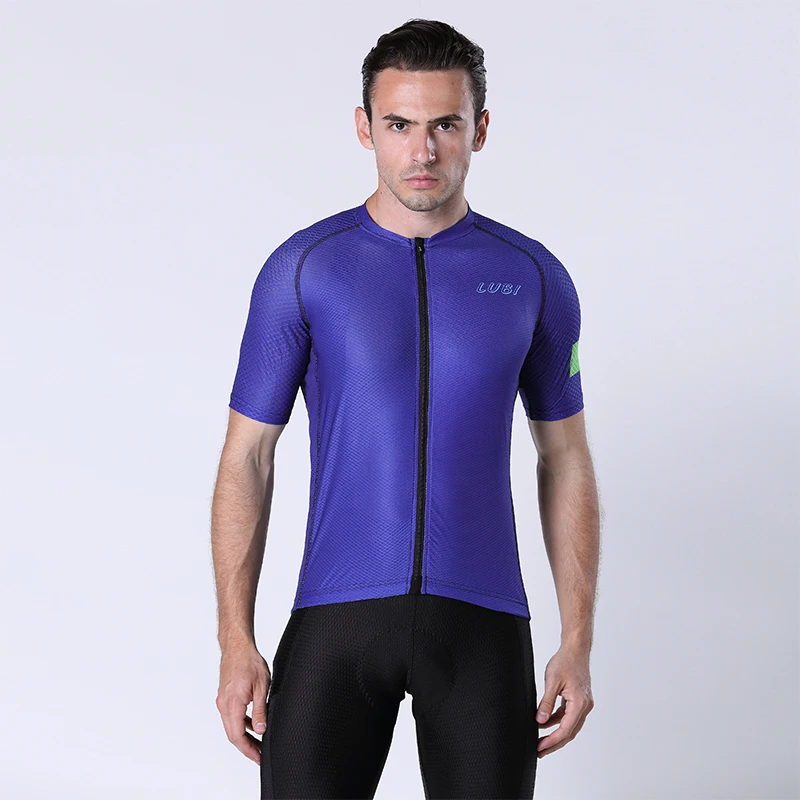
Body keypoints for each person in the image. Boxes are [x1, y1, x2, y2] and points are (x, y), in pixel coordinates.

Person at [211, 17, 600, 800]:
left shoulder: (533, 278)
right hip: (336, 618)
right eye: (399, 125)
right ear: (365, 128)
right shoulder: (304, 269)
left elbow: (565, 459)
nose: (422, 151)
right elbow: (247, 457)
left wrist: (578, 640)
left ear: (479, 130)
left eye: (444, 125)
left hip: (482, 625)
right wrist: (234, 640)